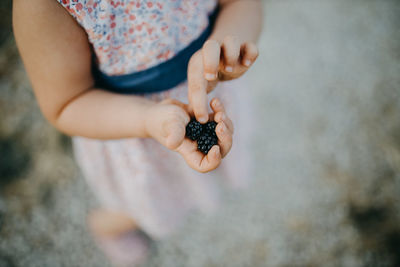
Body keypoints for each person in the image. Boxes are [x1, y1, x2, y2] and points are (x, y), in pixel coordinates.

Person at [13, 0, 262, 265]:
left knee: (199, 180)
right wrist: (148, 119)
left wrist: (224, 49)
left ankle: (191, 196)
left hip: (212, 99)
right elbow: (66, 104)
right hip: (134, 127)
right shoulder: (44, 5)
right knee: (148, 203)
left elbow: (241, 4)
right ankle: (109, 226)